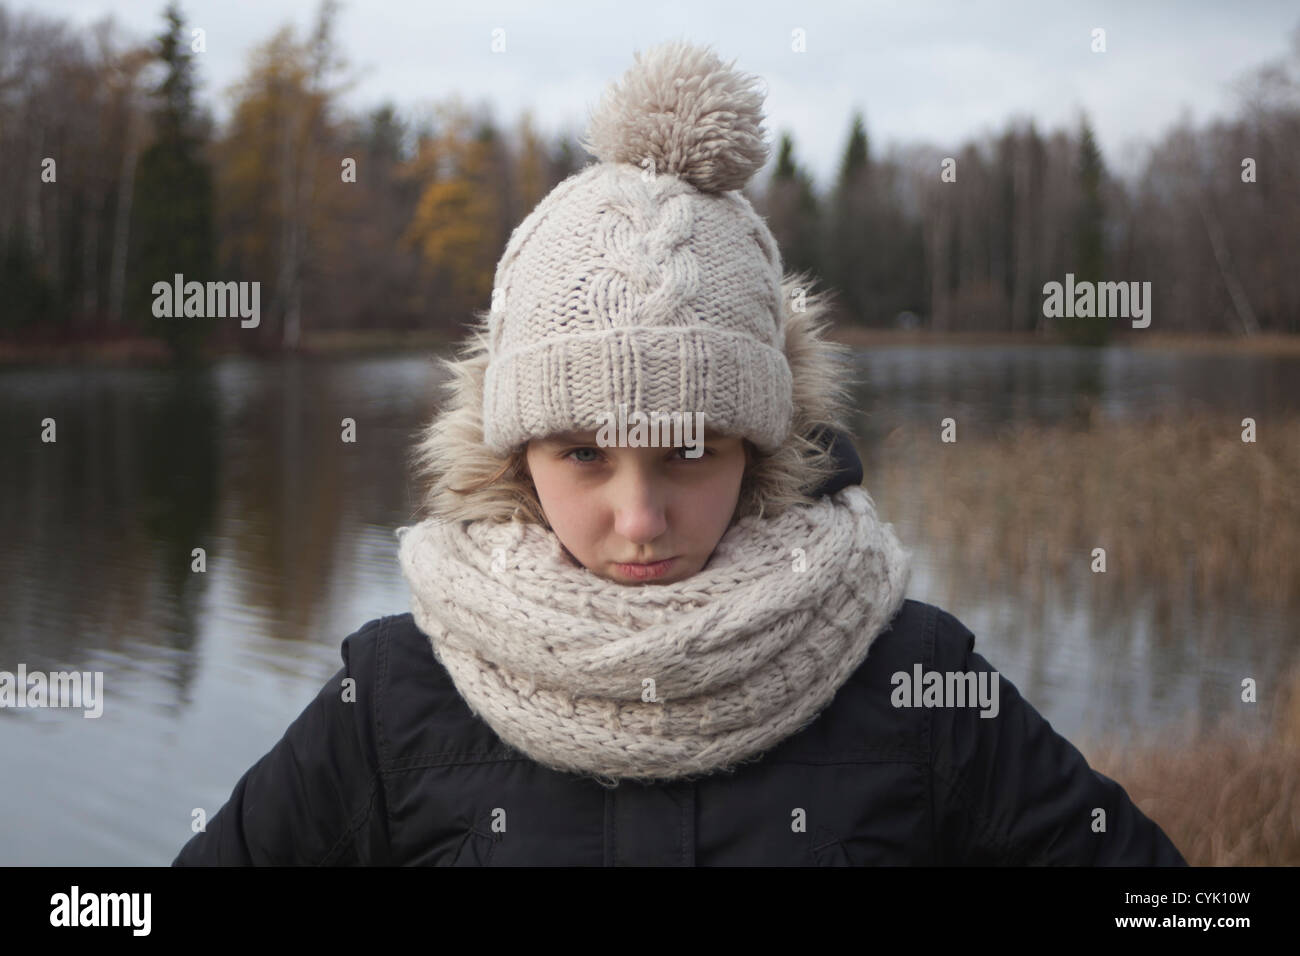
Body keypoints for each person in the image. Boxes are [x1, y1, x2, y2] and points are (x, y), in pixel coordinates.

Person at [172, 38, 1187, 866]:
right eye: (582, 455)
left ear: (761, 444)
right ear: (516, 451)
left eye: (690, 450)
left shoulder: (909, 676)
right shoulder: (398, 690)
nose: (640, 514)